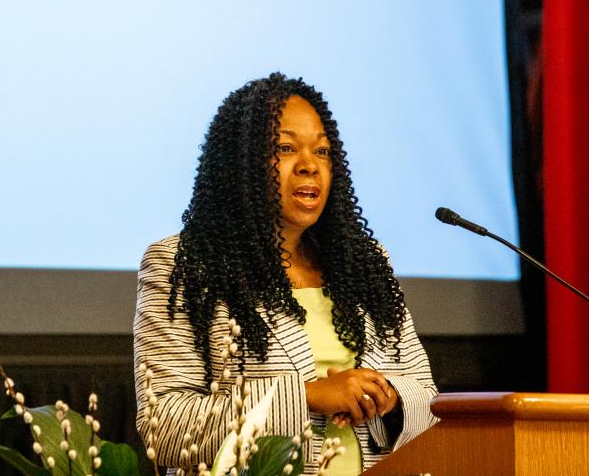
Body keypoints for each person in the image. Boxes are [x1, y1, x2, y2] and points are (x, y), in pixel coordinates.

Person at [134, 73, 437, 476]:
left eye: (323, 152)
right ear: (240, 163)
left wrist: (390, 397)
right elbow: (166, 425)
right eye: (285, 148)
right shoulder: (185, 263)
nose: (310, 166)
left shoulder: (365, 264)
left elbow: (429, 402)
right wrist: (309, 397)